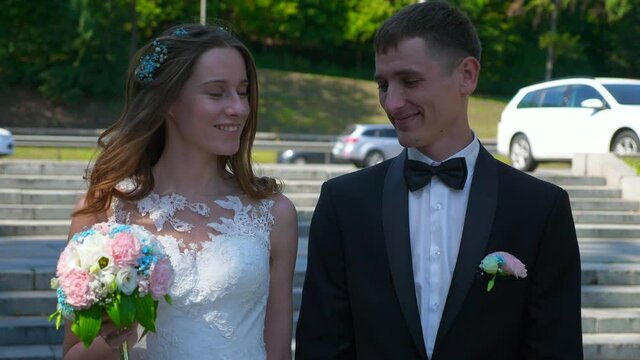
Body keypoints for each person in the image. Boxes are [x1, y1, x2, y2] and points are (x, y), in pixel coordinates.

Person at [295, 1, 582, 359]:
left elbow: (556, 349)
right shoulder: (344, 203)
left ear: (467, 75)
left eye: (410, 81)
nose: (392, 102)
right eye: (383, 85)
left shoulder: (540, 208)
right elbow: (321, 346)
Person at [62, 24, 298, 359]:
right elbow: (73, 354)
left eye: (243, 91)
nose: (239, 108)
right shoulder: (101, 211)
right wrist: (116, 336)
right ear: (168, 101)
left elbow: (279, 352)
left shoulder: (273, 213)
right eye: (217, 93)